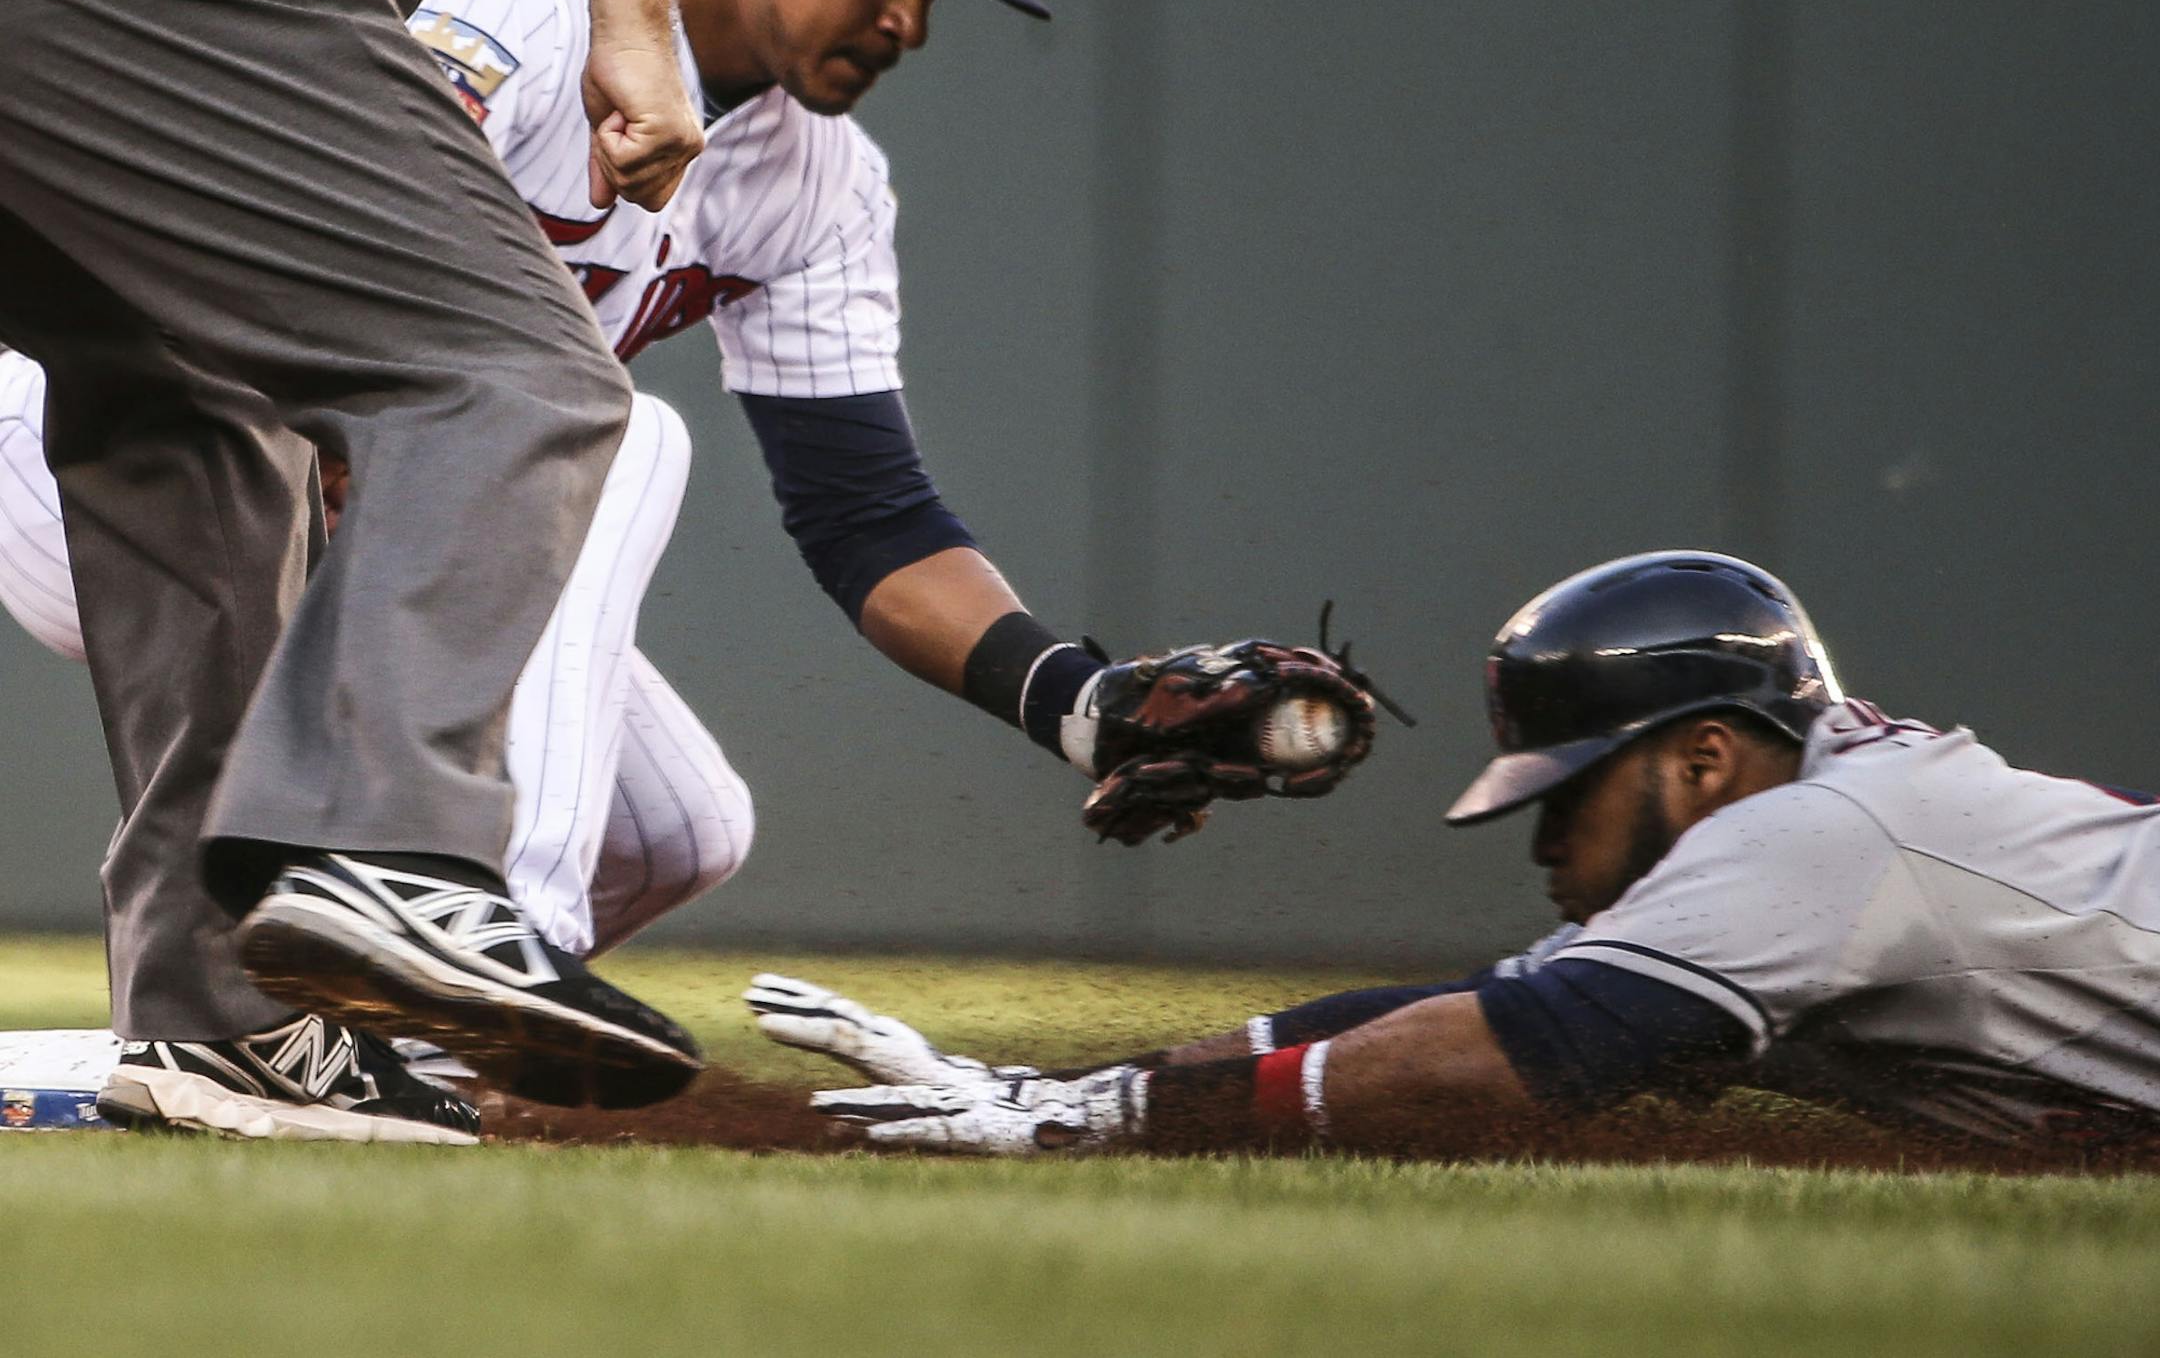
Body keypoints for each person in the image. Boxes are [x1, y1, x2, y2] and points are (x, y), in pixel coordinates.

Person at [0, 0, 1384, 1127]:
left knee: (679, 829)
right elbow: (299, 225)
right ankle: (475, 955)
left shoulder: (819, 184)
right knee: (608, 438)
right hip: (137, 437)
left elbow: (868, 514)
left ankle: (266, 1047)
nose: (906, 17)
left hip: (380, 503)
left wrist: (1075, 700)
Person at [0, 0, 711, 1144]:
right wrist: (636, 12)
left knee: (186, 413)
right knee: (513, 372)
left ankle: (226, 1022)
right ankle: (390, 844)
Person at [763, 551, 2160, 1161]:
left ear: (1704, 757)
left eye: (1570, 791)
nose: (1547, 841)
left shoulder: (1813, 835)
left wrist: (1104, 1120)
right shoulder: (1816, 813)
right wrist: (1055, 1090)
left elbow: (1503, 1055)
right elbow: (1472, 1008)